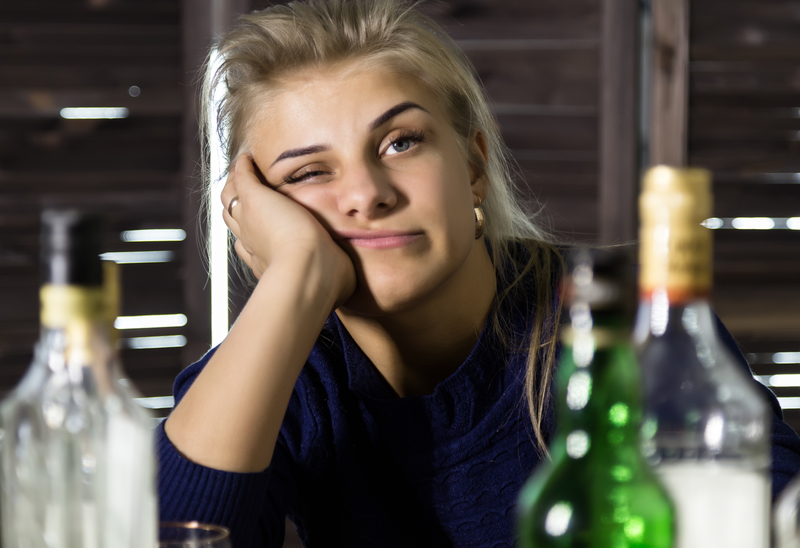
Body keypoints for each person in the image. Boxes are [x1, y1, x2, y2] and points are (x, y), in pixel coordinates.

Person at [157, 1, 800, 546]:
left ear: (472, 164)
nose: (367, 194)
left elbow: (769, 520)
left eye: (400, 142)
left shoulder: (618, 320)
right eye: (308, 173)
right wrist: (294, 278)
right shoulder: (280, 368)